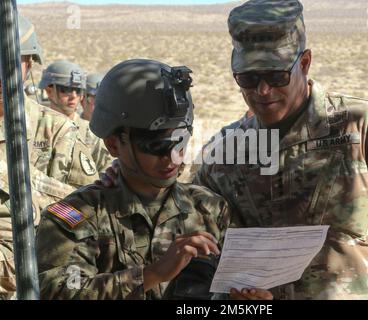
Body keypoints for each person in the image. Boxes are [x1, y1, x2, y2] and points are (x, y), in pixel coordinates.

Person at [192, 0, 368, 299]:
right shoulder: (225, 154)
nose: (263, 91)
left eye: (277, 76)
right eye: (249, 78)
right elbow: (202, 267)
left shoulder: (363, 127)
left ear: (304, 63)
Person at [35, 59, 230, 300]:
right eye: (156, 146)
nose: (172, 158)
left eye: (180, 142)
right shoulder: (75, 217)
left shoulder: (209, 209)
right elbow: (60, 291)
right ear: (114, 143)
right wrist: (151, 275)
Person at [0, 14, 90, 299]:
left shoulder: (58, 132)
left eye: (11, 60)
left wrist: (30, 194)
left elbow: (86, 217)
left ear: (28, 65)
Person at [39, 61, 113, 174]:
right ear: (49, 91)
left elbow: (107, 173)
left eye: (78, 90)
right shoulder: (36, 128)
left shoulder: (92, 133)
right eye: (66, 89)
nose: (73, 96)